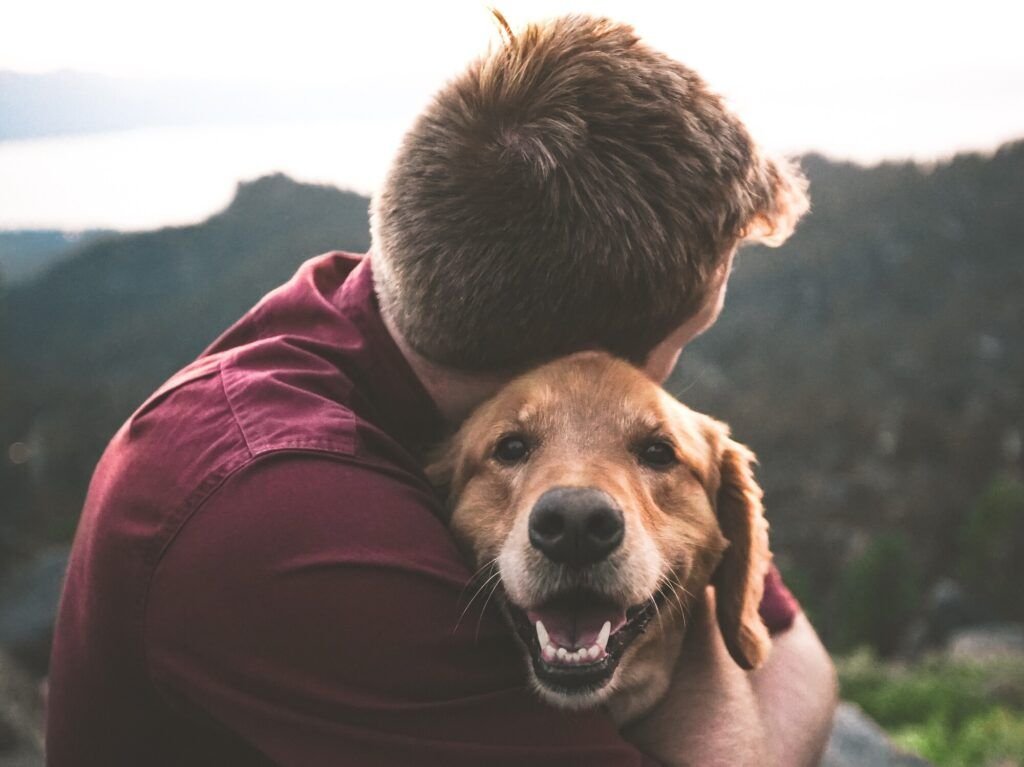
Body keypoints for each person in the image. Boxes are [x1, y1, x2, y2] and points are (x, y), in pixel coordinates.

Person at [47, 14, 837, 766]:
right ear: (581, 361)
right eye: (681, 342)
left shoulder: (394, 315)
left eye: (649, 437)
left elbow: (797, 654)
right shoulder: (288, 522)